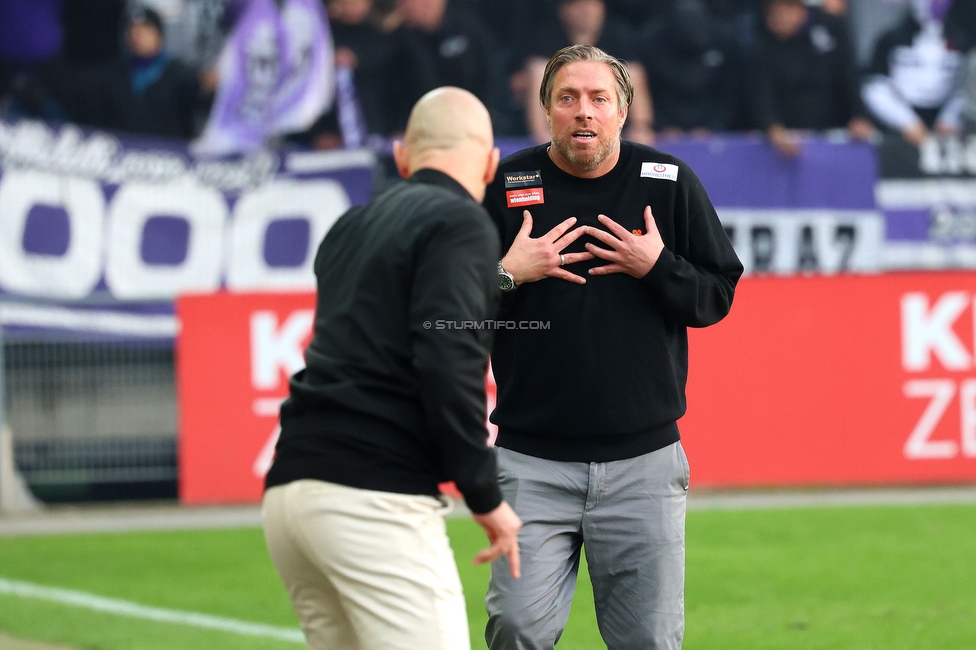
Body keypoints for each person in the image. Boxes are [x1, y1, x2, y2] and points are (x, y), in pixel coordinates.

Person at [483, 45, 743, 650]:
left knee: (649, 641)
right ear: (545, 109)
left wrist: (657, 267)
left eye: (599, 98)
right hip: (531, 463)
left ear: (623, 109)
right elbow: (448, 311)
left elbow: (717, 295)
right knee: (516, 629)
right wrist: (507, 273)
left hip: (643, 465)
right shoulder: (504, 185)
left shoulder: (670, 183)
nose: (584, 112)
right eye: (567, 98)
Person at [262, 86, 522, 650]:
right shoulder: (460, 222)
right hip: (370, 496)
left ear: (404, 156)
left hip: (289, 493)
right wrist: (485, 494)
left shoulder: (350, 227)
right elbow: (447, 357)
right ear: (491, 162)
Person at [749, 0, 875, 157]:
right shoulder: (763, 42)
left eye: (780, 13)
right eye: (770, 15)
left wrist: (859, 116)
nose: (775, 20)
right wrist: (772, 126)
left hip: (833, 127)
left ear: (799, 9)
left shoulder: (832, 27)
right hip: (788, 128)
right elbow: (762, 90)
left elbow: (848, 75)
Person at [862, 0, 968, 147]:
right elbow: (874, 86)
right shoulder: (892, 39)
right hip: (895, 133)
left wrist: (949, 118)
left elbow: (963, 88)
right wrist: (907, 121)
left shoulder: (960, 42)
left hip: (943, 136)